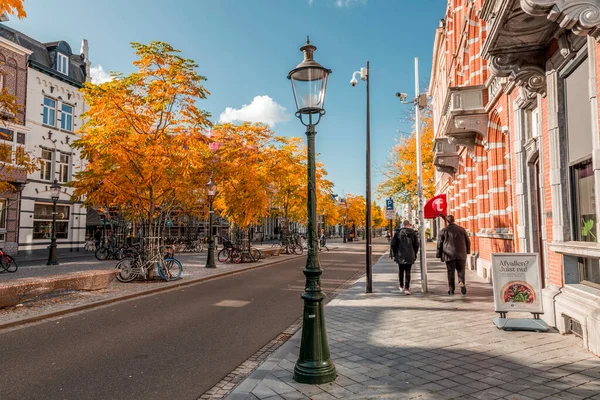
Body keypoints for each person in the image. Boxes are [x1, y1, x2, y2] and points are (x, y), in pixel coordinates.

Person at [436, 215, 471, 295]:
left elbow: (439, 244)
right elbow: (467, 241)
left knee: (450, 272)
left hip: (449, 255)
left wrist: (439, 254)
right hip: (461, 254)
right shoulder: (462, 229)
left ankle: (451, 289)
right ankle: (461, 282)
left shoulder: (443, 230)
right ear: (454, 220)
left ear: (447, 221)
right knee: (461, 270)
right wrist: (467, 251)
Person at [390, 220, 420, 295]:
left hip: (400, 255)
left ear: (403, 225)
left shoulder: (398, 233)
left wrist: (394, 253)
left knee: (401, 270)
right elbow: (416, 244)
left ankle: (401, 285)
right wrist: (414, 253)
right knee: (408, 272)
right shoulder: (413, 233)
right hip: (410, 254)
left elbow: (393, 244)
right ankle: (407, 288)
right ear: (409, 225)